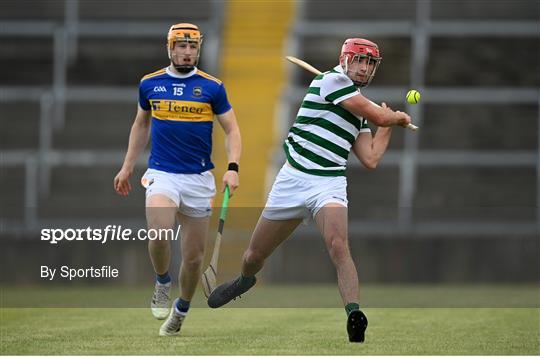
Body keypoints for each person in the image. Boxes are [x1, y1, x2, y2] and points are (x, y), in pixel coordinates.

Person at [207, 38, 411, 343]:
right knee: (253, 256)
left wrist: (386, 127)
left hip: (328, 183)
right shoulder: (332, 81)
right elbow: (380, 116)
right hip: (293, 179)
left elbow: (370, 158)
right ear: (345, 61)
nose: (364, 67)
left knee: (338, 246)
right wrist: (394, 117)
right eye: (360, 60)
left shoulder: (357, 111)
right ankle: (244, 280)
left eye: (369, 63)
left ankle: (354, 315)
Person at [113, 23, 241, 336]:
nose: (187, 52)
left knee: (194, 259)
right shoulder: (150, 84)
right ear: (170, 48)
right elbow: (141, 126)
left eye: (192, 47)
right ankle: (161, 281)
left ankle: (181, 309)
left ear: (198, 50)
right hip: (162, 173)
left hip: (198, 178)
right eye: (181, 46)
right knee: (158, 234)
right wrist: (128, 166)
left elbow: (232, 130)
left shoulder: (213, 87)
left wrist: (233, 167)